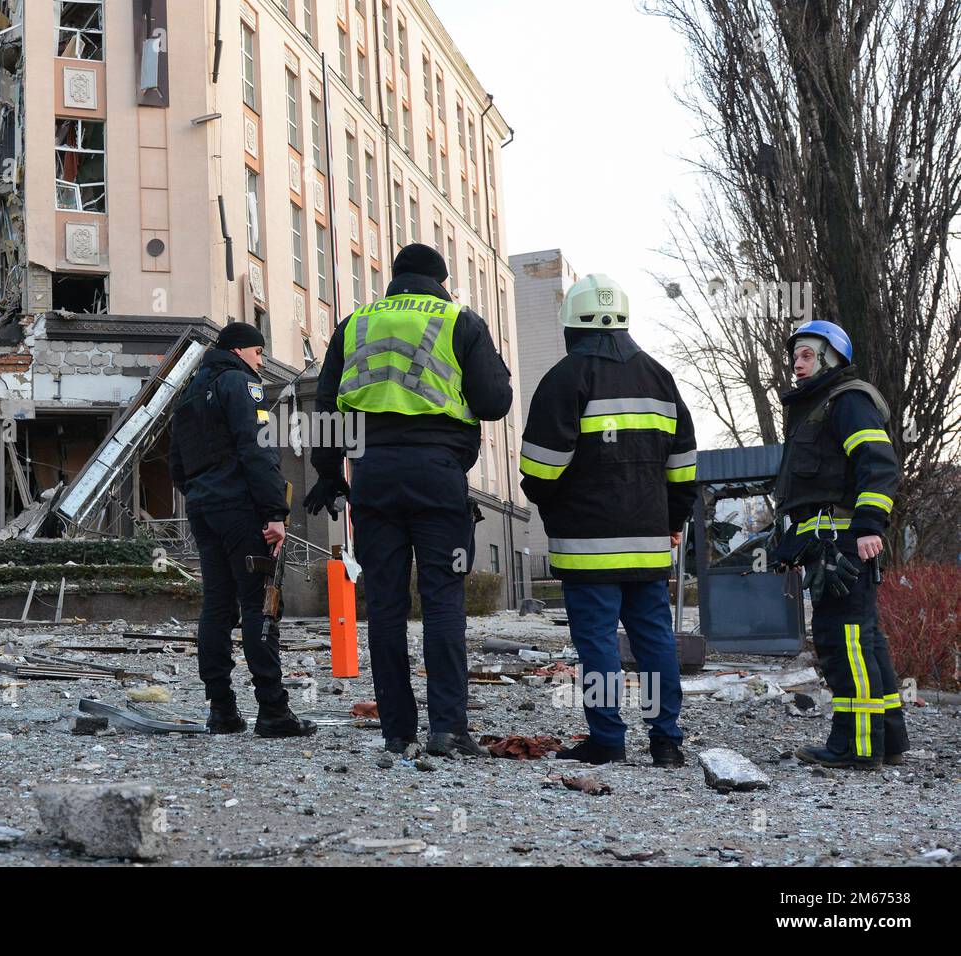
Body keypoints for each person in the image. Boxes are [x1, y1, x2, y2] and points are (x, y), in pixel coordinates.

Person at [306, 243, 513, 758]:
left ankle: (397, 732)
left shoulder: (354, 323)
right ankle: (448, 729)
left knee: (385, 607)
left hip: (372, 477)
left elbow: (326, 406)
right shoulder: (459, 320)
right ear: (441, 280)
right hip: (438, 475)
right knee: (443, 603)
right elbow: (494, 402)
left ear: (394, 278)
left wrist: (329, 474)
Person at [518, 274, 695, 767]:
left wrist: (554, 512)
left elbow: (538, 470)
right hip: (649, 542)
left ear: (570, 322)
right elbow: (684, 465)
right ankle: (666, 741)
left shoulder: (564, 378)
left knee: (597, 644)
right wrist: (673, 519)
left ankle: (608, 739)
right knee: (655, 640)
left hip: (586, 545)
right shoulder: (660, 376)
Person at [771, 320, 908, 769]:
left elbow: (878, 463)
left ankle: (856, 746)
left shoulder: (847, 401)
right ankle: (887, 739)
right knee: (864, 640)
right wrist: (787, 546)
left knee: (844, 641)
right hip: (827, 543)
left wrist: (870, 524)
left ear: (831, 358)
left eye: (808, 354)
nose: (797, 362)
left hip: (845, 544)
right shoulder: (815, 408)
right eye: (795, 355)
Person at [168, 323, 315, 738]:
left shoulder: (189, 394)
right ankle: (273, 711)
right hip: (242, 510)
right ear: (239, 350)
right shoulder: (243, 386)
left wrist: (203, 492)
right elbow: (258, 450)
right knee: (260, 604)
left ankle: (222, 711)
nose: (261, 362)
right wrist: (274, 512)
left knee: (217, 605)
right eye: (258, 352)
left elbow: (176, 464)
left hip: (203, 508)